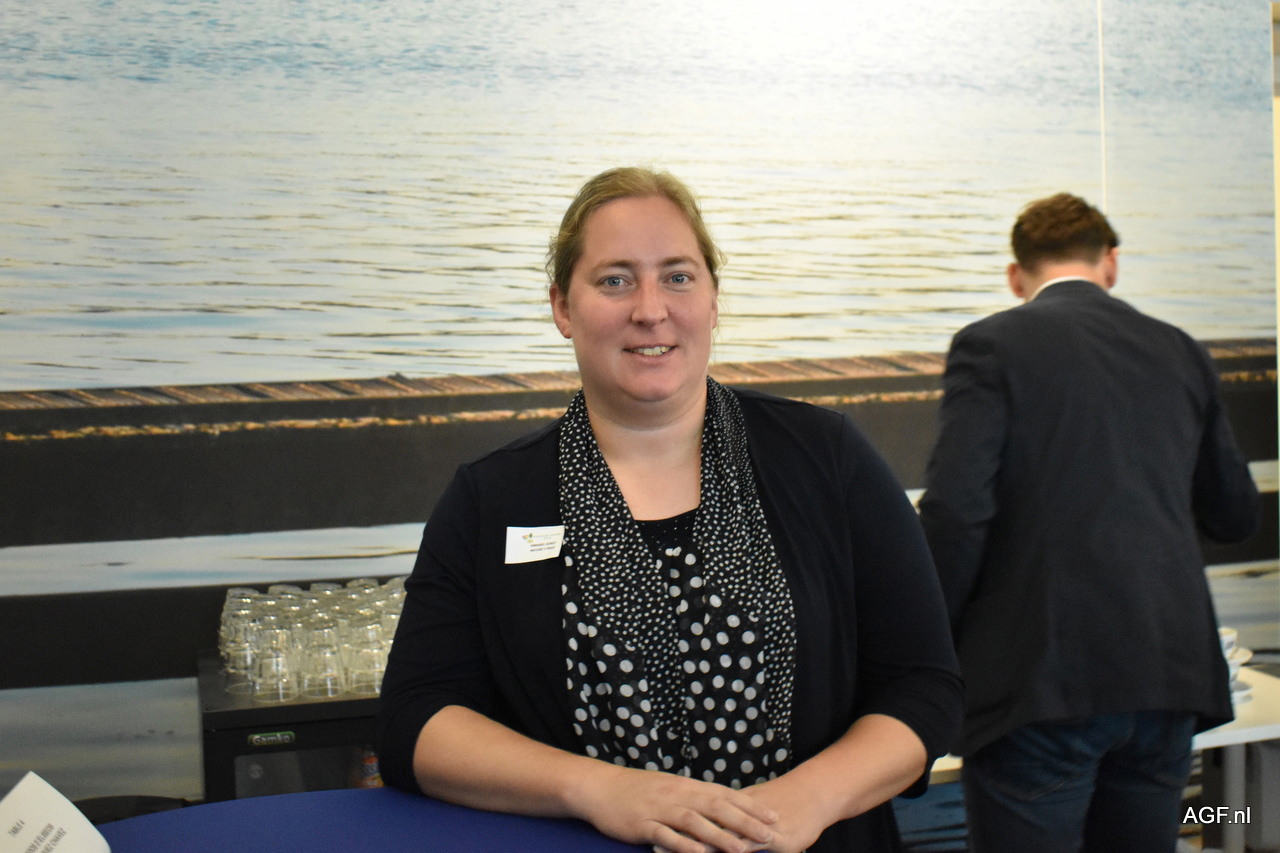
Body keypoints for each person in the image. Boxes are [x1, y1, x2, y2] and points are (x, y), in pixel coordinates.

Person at [378, 167, 963, 852]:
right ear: (562, 307)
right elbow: (416, 720)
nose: (650, 309)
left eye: (678, 276)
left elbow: (924, 687)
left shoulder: (825, 456)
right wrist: (597, 788)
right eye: (615, 280)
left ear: (712, 299)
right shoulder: (491, 499)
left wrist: (804, 801)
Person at [917, 192, 1261, 852]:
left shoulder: (991, 345)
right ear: (1112, 263)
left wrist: (927, 642)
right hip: (1170, 677)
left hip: (1043, 681)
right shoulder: (1179, 349)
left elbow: (958, 512)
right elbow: (1235, 514)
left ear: (1015, 275)